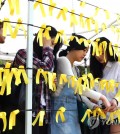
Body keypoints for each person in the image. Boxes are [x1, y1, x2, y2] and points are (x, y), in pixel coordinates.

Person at [2, 25, 63, 134]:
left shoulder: (50, 60)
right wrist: (47, 46)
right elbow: (44, 68)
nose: (52, 47)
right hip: (22, 113)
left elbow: (48, 91)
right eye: (51, 43)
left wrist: (53, 84)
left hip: (43, 115)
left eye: (54, 45)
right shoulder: (23, 54)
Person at [50, 34, 111, 134]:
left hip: (72, 112)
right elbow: (76, 86)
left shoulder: (75, 69)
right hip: (61, 110)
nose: (85, 54)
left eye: (87, 51)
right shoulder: (63, 60)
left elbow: (78, 94)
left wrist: (93, 106)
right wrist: (102, 97)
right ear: (74, 47)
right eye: (84, 50)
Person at [90, 37, 120, 134]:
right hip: (100, 117)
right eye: (95, 53)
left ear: (109, 50)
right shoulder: (95, 71)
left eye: (102, 52)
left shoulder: (117, 66)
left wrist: (116, 100)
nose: (98, 56)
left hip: (116, 115)